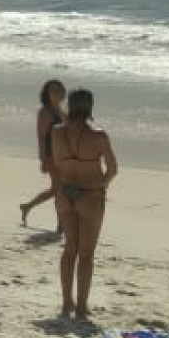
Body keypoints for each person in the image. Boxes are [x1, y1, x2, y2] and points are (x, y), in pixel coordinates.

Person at [50, 88, 118, 321]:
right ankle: (81, 306)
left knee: (70, 249)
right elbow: (113, 169)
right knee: (86, 255)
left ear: (70, 105)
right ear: (90, 106)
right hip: (90, 194)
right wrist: (103, 185)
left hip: (65, 193)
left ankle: (66, 302)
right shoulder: (98, 136)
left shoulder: (57, 133)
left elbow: (58, 163)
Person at [18, 79, 67, 229]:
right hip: (51, 155)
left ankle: (27, 206)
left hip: (63, 155)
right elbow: (40, 136)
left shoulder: (62, 112)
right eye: (53, 90)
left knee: (57, 189)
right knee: (59, 189)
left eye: (59, 90)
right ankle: (60, 224)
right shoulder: (45, 112)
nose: (56, 93)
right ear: (47, 93)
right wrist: (43, 158)